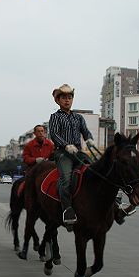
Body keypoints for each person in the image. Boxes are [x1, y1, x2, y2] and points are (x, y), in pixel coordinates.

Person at [49, 84, 97, 228]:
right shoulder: (55, 117)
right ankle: (67, 209)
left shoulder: (78, 117)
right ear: (58, 100)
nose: (67, 100)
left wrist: (89, 139)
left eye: (69, 97)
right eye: (64, 98)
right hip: (63, 153)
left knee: (95, 171)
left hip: (78, 152)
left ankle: (113, 204)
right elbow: (54, 134)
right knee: (66, 179)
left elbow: (85, 131)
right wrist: (65, 145)